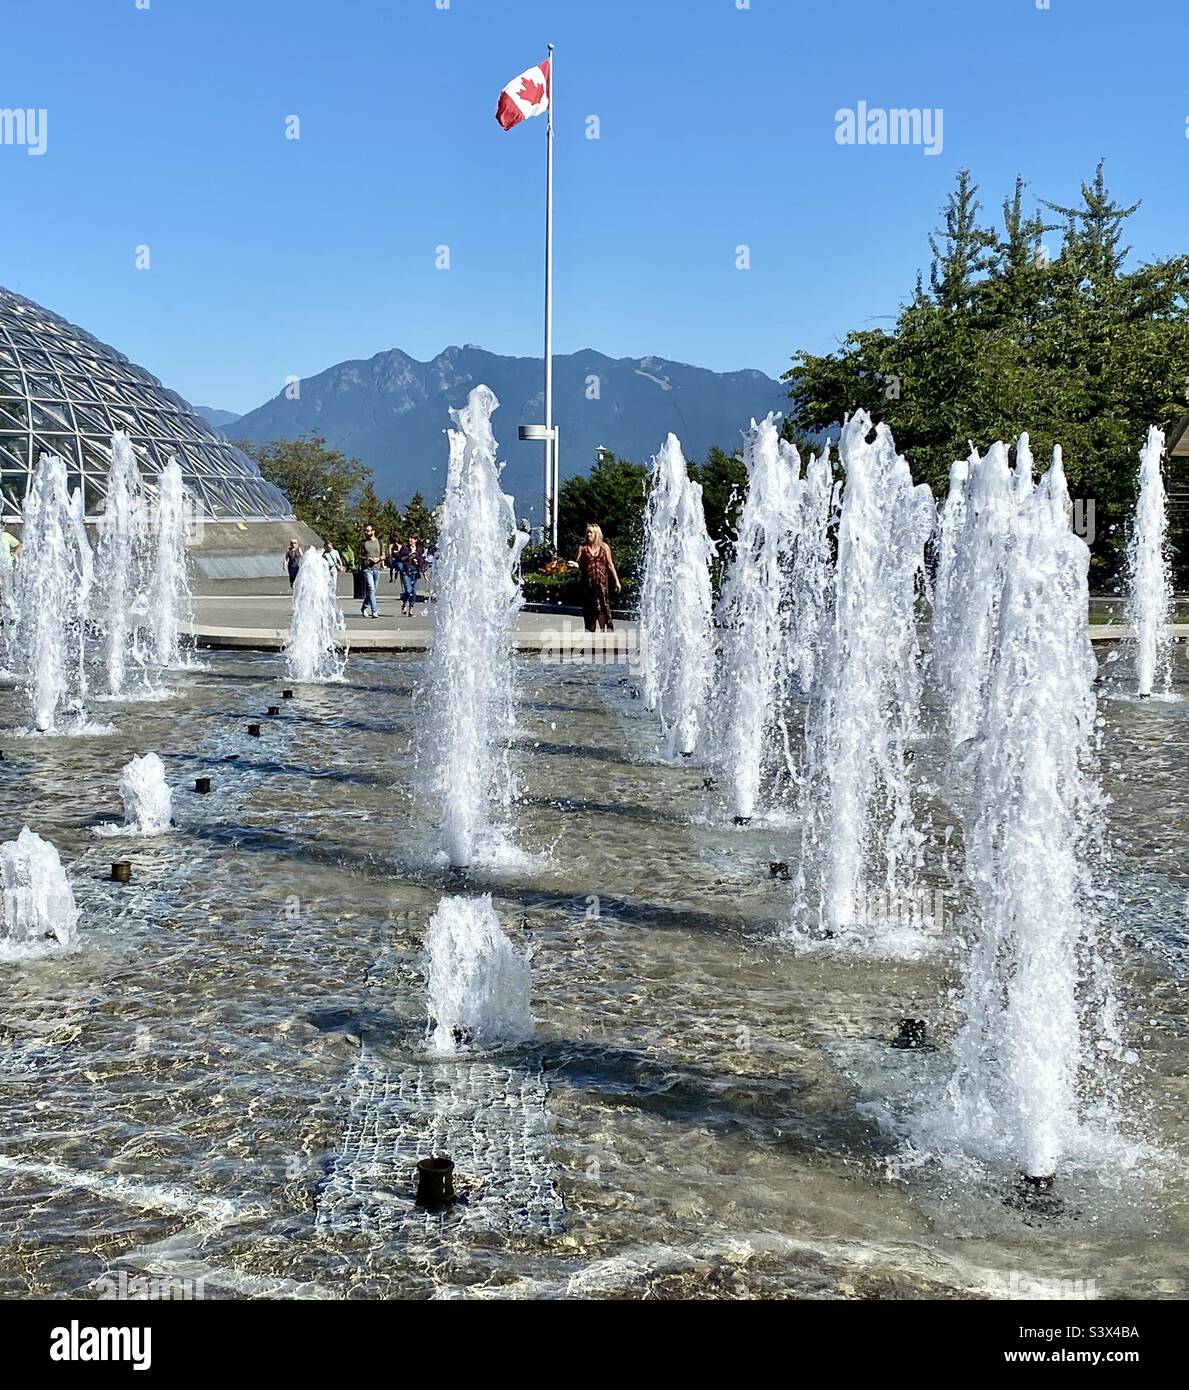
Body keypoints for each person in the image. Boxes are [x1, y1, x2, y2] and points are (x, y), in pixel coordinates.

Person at [572, 524, 621, 632]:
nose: (589, 534)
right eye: (588, 532)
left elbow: (610, 564)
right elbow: (579, 564)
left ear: (597, 534)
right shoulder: (583, 548)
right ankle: (591, 632)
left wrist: (617, 581)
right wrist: (574, 565)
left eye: (591, 532)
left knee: (602, 608)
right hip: (588, 585)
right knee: (590, 610)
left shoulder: (604, 547)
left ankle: (603, 630)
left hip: (602, 585)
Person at [359, 523, 383, 618]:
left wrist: (379, 559)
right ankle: (374, 610)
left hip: (377, 568)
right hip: (367, 569)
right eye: (365, 530)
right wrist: (368, 558)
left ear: (373, 531)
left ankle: (364, 607)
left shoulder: (379, 542)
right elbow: (359, 556)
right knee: (371, 589)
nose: (366, 532)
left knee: (372, 591)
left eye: (368, 530)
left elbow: (384, 555)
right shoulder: (363, 543)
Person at [396, 536, 423, 617]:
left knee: (413, 591)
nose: (410, 540)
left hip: (415, 572)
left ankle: (411, 609)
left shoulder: (419, 549)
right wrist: (409, 556)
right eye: (409, 538)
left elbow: (421, 559)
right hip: (406, 571)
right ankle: (404, 604)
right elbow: (399, 558)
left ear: (416, 540)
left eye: (412, 538)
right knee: (408, 590)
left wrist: (421, 566)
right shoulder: (405, 548)